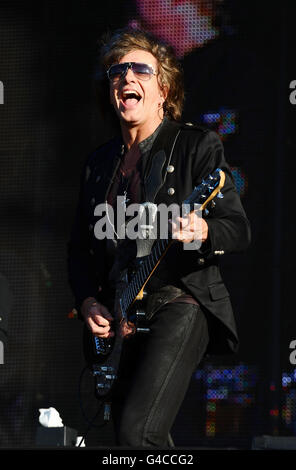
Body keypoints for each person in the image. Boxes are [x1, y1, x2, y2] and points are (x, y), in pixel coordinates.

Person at [67, 27, 251, 448]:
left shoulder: (196, 146)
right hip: (119, 316)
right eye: (117, 71)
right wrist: (87, 301)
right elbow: (78, 250)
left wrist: (202, 229)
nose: (126, 78)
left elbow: (237, 229)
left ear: (163, 89)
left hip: (181, 301)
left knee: (139, 432)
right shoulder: (98, 165)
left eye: (140, 71)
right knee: (131, 440)